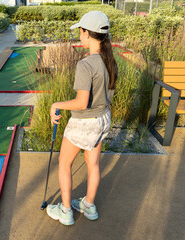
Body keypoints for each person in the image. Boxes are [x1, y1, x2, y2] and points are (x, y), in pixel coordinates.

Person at [46, 11, 117, 226]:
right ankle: (89, 205)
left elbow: (81, 103)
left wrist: (56, 104)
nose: (79, 33)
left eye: (80, 30)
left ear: (86, 33)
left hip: (84, 122)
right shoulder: (110, 61)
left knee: (64, 163)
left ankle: (66, 210)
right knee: (93, 163)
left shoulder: (85, 64)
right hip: (103, 118)